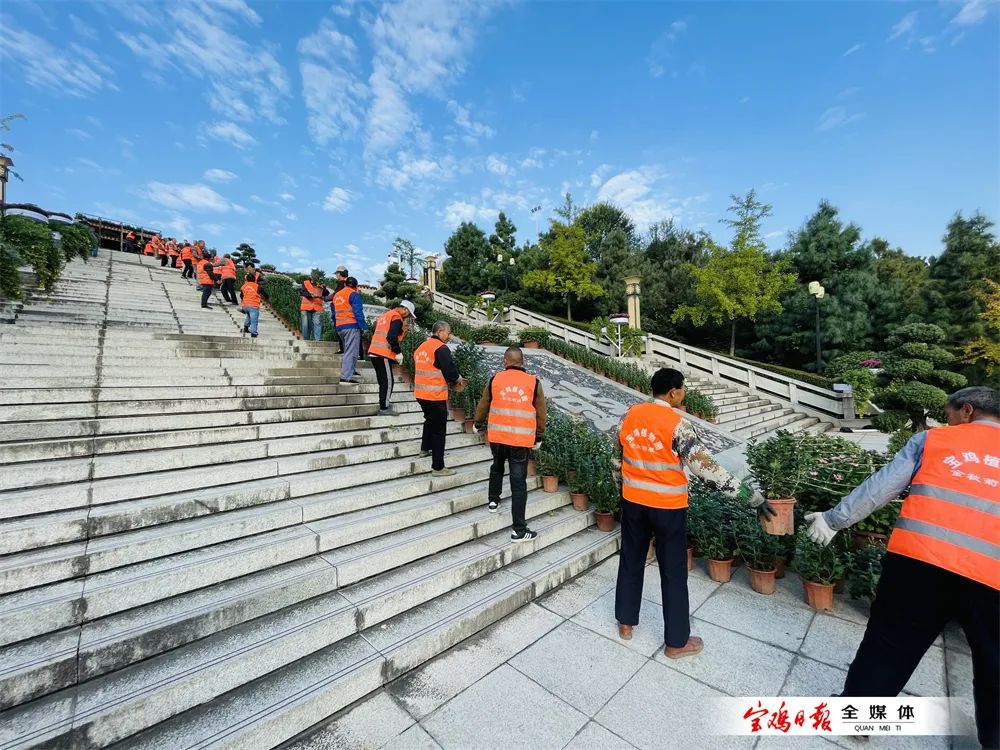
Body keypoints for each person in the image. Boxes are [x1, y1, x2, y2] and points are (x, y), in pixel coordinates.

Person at [804, 386, 999, 749]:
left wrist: (834, 520)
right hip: (993, 578)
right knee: (995, 663)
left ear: (967, 411)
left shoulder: (934, 440)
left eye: (950, 414)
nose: (947, 421)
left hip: (920, 562)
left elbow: (882, 487)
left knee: (891, 641)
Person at [613, 368, 776, 658]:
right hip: (667, 509)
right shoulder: (678, 424)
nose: (683, 393)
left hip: (633, 503)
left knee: (631, 560)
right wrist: (751, 497)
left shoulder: (630, 415)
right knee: (673, 573)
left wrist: (622, 491)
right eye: (682, 389)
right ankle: (676, 642)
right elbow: (708, 470)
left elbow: (617, 459)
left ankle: (626, 622)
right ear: (674, 392)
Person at [473, 346, 548, 542]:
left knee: (496, 467)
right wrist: (538, 436)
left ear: (505, 361)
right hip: (520, 441)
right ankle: (519, 531)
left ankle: (493, 501)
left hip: (497, 438)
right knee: (518, 484)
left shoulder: (495, 379)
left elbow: (484, 403)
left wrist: (477, 423)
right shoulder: (534, 382)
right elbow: (541, 413)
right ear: (523, 362)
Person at [414, 322, 464, 477]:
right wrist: (458, 378)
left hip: (421, 394)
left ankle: (424, 449)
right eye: (448, 333)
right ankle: (438, 467)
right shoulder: (441, 348)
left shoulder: (422, 347)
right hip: (435, 395)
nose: (449, 336)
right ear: (440, 331)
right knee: (439, 430)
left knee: (429, 420)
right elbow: (450, 372)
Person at [367, 300, 414, 416]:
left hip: (374, 351)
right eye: (409, 314)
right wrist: (398, 352)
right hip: (383, 353)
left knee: (383, 382)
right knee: (388, 382)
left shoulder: (386, 315)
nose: (408, 317)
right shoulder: (397, 317)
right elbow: (391, 337)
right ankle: (384, 408)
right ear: (405, 310)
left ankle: (384, 403)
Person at [332, 276, 367, 384]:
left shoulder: (336, 295)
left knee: (349, 350)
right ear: (356, 286)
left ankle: (350, 371)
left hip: (340, 327)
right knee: (351, 352)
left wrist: (337, 324)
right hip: (351, 326)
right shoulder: (354, 294)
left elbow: (333, 314)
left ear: (345, 284)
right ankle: (346, 377)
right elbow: (358, 312)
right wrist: (364, 326)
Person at [298, 271, 328, 342]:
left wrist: (323, 288)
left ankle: (317, 341)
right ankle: (306, 340)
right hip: (306, 307)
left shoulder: (320, 285)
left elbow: (326, 293)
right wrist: (311, 295)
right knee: (306, 325)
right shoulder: (305, 282)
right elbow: (303, 292)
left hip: (317, 307)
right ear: (311, 277)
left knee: (318, 324)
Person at [333, 265, 349, 353]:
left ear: (340, 274)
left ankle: (343, 349)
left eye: (337, 274)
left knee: (340, 330)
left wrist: (324, 298)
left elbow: (335, 295)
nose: (336, 276)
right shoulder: (351, 283)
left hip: (341, 312)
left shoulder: (342, 283)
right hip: (347, 312)